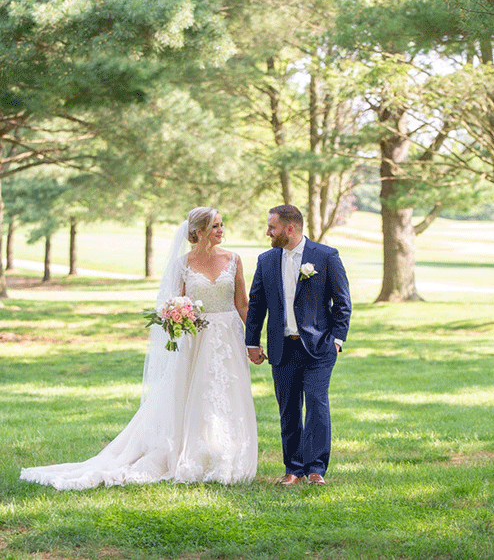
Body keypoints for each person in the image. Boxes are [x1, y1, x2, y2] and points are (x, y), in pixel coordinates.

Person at [20, 207, 257, 489]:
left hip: (227, 338)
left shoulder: (234, 260)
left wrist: (252, 340)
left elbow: (242, 303)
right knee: (194, 394)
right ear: (199, 232)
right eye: (215, 226)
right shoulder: (183, 264)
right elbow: (174, 303)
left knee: (226, 392)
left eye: (222, 224)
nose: (221, 230)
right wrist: (177, 317)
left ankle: (226, 452)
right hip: (195, 340)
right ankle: (191, 454)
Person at [245, 204, 351, 485]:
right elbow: (256, 304)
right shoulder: (266, 260)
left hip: (319, 347)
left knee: (317, 404)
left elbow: (342, 303)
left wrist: (337, 340)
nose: (268, 232)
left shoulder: (326, 256)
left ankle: (316, 469)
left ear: (289, 229)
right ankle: (293, 469)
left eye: (272, 227)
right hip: (282, 348)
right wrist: (252, 342)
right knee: (288, 408)